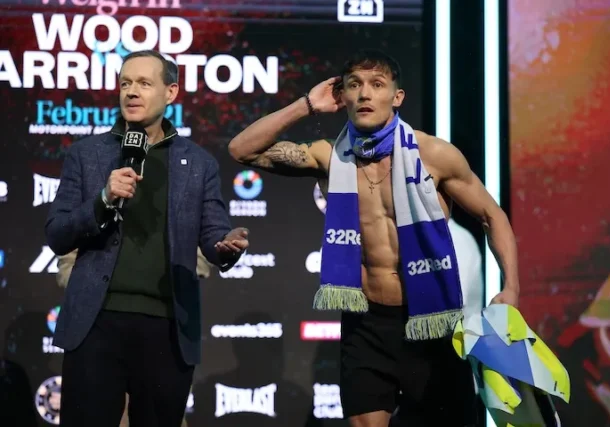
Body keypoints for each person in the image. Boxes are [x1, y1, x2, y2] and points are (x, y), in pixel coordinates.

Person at [228, 49, 519, 427]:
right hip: (366, 323)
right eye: (354, 85)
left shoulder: (434, 155)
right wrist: (306, 106)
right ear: (342, 96)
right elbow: (241, 150)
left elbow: (491, 215)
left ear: (397, 97)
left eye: (377, 85)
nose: (365, 94)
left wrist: (511, 287)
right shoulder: (330, 157)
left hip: (431, 319)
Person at [45, 49, 249, 427]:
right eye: (125, 83)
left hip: (167, 329)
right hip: (96, 323)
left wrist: (227, 246)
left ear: (171, 92)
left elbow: (213, 235)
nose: (131, 92)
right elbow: (57, 233)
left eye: (143, 83)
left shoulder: (199, 163)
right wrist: (103, 199)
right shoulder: (86, 155)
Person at [56, 247, 214, 427]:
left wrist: (180, 274)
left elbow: (201, 248)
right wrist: (87, 283)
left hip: (166, 322)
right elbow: (67, 250)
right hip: (96, 322)